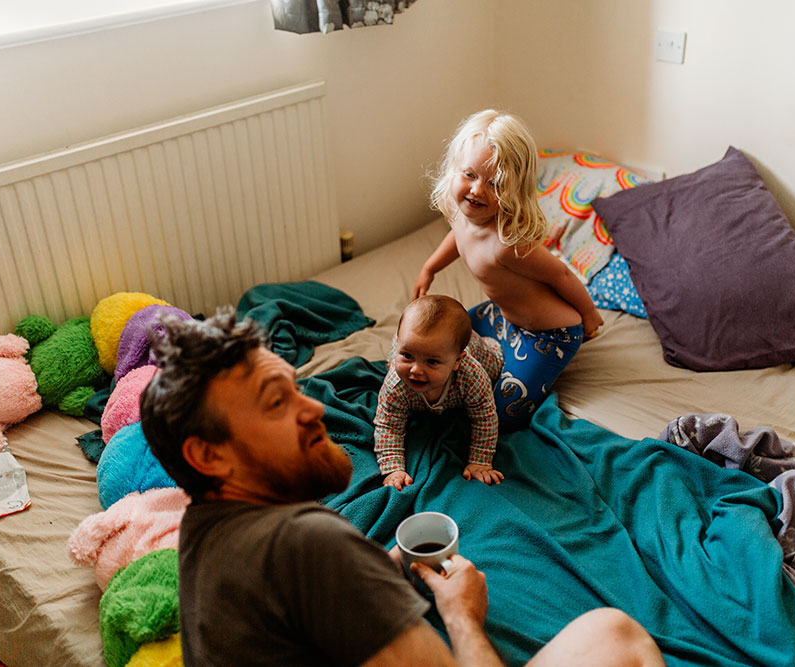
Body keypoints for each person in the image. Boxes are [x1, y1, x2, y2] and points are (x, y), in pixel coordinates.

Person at [139, 308, 665, 667]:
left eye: (297, 390)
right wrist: (463, 617)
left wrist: (379, 568)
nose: (315, 407)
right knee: (615, 634)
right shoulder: (306, 543)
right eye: (277, 402)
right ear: (208, 455)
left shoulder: (200, 536)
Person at [414, 109, 605, 430]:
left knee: (498, 415)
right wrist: (429, 269)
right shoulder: (460, 213)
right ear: (455, 168)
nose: (477, 190)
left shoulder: (507, 244)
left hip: (549, 335)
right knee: (442, 340)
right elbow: (457, 237)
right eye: (470, 175)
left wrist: (590, 316)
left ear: (514, 189)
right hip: (501, 317)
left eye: (495, 184)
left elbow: (560, 274)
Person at [375, 294, 504, 490]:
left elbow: (485, 417)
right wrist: (393, 468)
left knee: (496, 367)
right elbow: (388, 424)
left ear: (457, 361)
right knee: (394, 361)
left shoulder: (472, 376)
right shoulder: (396, 383)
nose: (416, 370)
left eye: (432, 362)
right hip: (412, 349)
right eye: (407, 355)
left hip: (476, 348)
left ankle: (486, 336)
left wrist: (480, 461)